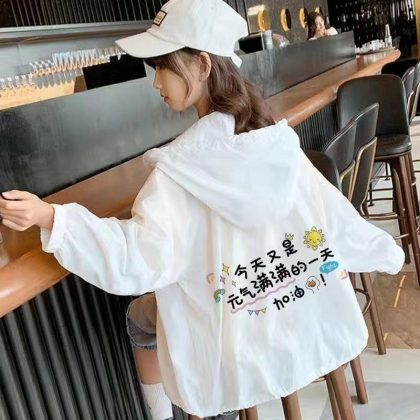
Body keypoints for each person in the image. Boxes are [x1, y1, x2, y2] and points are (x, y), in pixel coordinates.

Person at [0, 0, 404, 419]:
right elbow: (334, 215)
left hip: (229, 343)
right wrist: (385, 251)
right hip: (297, 319)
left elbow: (137, 259)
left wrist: (52, 217)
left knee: (140, 318)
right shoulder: (275, 141)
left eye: (163, 66)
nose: (156, 82)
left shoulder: (177, 172)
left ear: (202, 65)